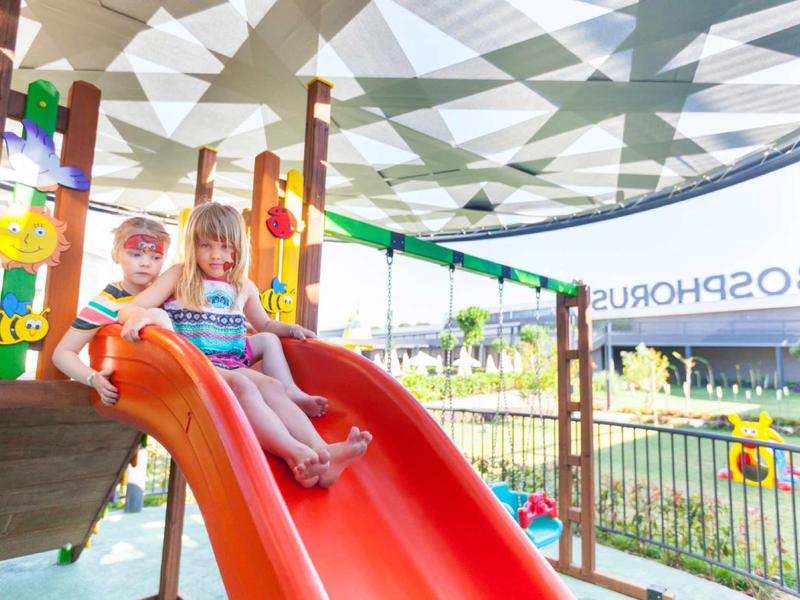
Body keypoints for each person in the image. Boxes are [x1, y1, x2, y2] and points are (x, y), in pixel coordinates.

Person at [119, 202, 371, 488]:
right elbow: (130, 308)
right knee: (245, 386)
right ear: (193, 247)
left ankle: (321, 450)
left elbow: (263, 325)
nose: (217, 255)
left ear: (239, 249)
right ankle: (294, 451)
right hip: (197, 366)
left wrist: (290, 328)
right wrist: (141, 316)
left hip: (230, 361)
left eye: (226, 247)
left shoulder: (242, 285)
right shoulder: (181, 276)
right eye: (206, 245)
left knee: (272, 387)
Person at [53, 217, 173, 405]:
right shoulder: (106, 303)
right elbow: (63, 353)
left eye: (156, 257)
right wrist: (93, 378)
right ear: (115, 254)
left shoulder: (171, 295)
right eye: (135, 254)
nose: (145, 263)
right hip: (132, 396)